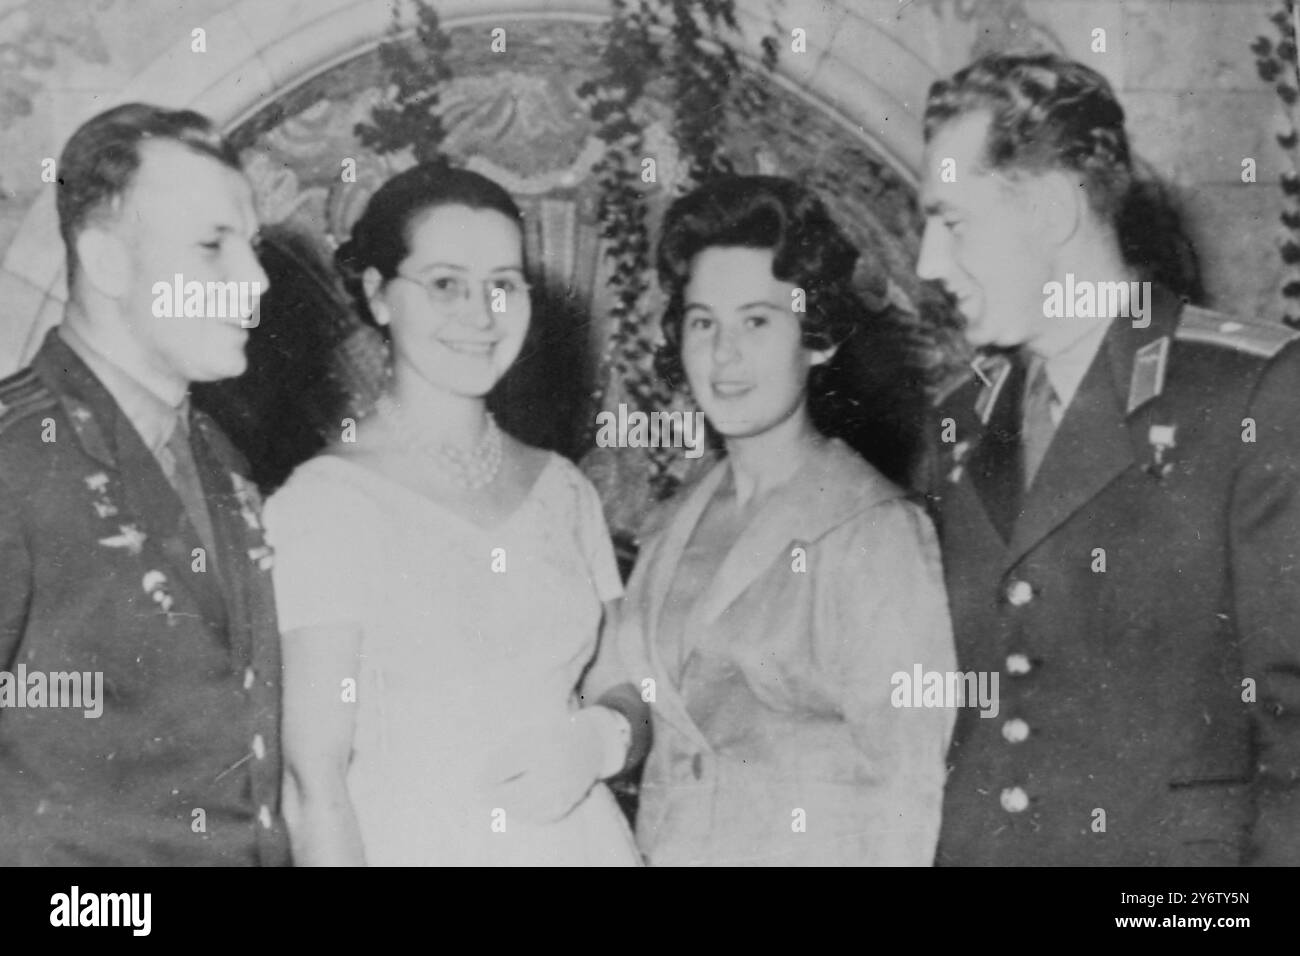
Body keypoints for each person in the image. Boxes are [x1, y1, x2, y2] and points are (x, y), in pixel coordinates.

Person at [917, 52, 1300, 865]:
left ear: (1054, 207)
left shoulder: (1250, 394)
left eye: (952, 223)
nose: (928, 264)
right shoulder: (958, 426)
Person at [263, 164, 639, 866]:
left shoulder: (565, 491)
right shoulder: (326, 504)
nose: (481, 313)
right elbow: (314, 785)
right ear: (378, 295)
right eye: (445, 284)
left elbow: (625, 680)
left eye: (503, 284)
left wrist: (600, 740)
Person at [582, 175, 957, 866]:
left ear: (816, 340)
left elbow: (912, 789)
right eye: (703, 322)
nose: (724, 354)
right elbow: (637, 696)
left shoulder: (873, 530)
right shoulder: (674, 521)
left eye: (757, 321)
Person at [0, 104, 289, 864]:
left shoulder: (220, 455)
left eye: (251, 248)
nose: (255, 280)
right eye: (211, 246)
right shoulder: (14, 459)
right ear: (107, 261)